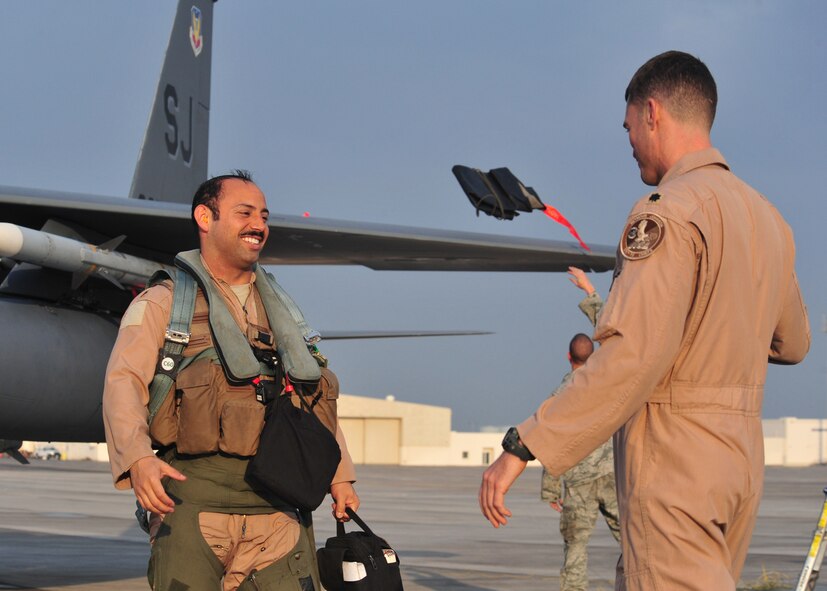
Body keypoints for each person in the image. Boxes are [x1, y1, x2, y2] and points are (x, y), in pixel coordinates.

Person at [480, 51, 810, 591]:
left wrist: (525, 445)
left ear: (652, 113)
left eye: (629, 125)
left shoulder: (667, 211)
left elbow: (632, 357)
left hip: (675, 461)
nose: (629, 140)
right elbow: (794, 342)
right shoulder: (767, 218)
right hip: (741, 463)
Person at [103, 171, 359, 591]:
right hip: (193, 502)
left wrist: (340, 475)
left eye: (264, 215)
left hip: (278, 507)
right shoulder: (164, 305)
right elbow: (123, 383)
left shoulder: (284, 315)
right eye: (244, 213)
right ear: (205, 217)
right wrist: (137, 458)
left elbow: (309, 400)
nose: (258, 225)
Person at [541, 332, 620, 591]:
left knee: (575, 548)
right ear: (593, 356)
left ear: (568, 357)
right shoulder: (607, 384)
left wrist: (551, 489)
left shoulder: (561, 393)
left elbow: (550, 437)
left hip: (578, 483)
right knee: (634, 543)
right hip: (613, 477)